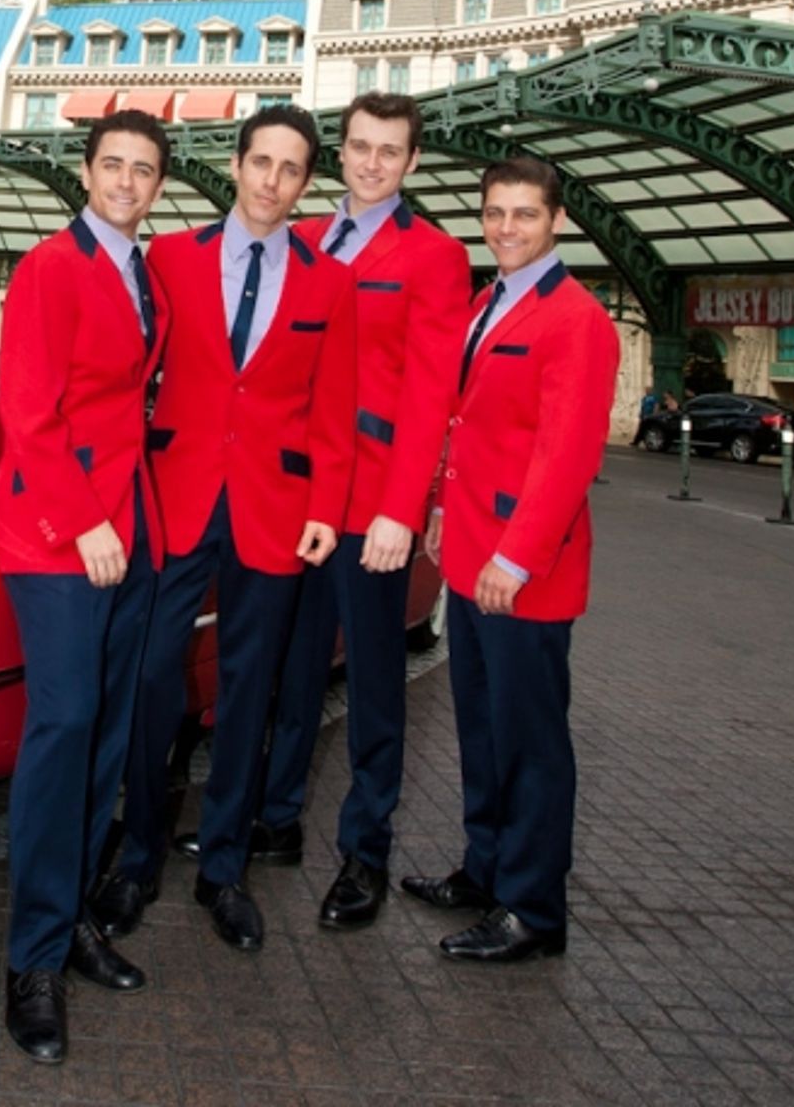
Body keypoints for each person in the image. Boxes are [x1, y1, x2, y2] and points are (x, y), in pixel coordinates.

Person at [92, 104, 355, 954]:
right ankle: (136, 859)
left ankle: (226, 868)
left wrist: (325, 509)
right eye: (261, 162)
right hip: (173, 496)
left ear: (306, 182)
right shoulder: (169, 258)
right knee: (151, 678)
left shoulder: (330, 282)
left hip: (275, 511)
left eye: (291, 169)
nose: (273, 181)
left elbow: (335, 408)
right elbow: (119, 371)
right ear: (236, 166)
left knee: (251, 689)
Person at [245, 92, 470, 929]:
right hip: (295, 497)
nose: (373, 163)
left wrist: (401, 510)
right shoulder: (299, 236)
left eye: (390, 151)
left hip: (372, 506)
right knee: (292, 667)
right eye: (361, 146)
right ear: (340, 152)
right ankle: (275, 819)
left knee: (374, 684)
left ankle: (365, 851)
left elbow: (430, 396)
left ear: (412, 162)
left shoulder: (436, 256)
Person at [401, 155, 619, 964]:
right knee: (484, 730)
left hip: (524, 573)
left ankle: (533, 910)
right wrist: (439, 508)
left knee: (530, 745)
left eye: (525, 214)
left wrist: (517, 559)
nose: (506, 228)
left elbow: (568, 456)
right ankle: (487, 870)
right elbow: (464, 424)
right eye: (495, 212)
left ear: (557, 220)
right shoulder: (488, 301)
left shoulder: (577, 319)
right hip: (470, 554)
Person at [0, 110, 170, 1065]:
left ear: (157, 183)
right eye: (113, 165)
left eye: (143, 169)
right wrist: (84, 519)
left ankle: (68, 924)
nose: (126, 182)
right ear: (87, 171)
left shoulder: (143, 273)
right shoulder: (50, 267)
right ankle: (31, 962)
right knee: (62, 734)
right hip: (62, 532)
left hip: (129, 532)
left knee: (104, 736)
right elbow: (27, 411)